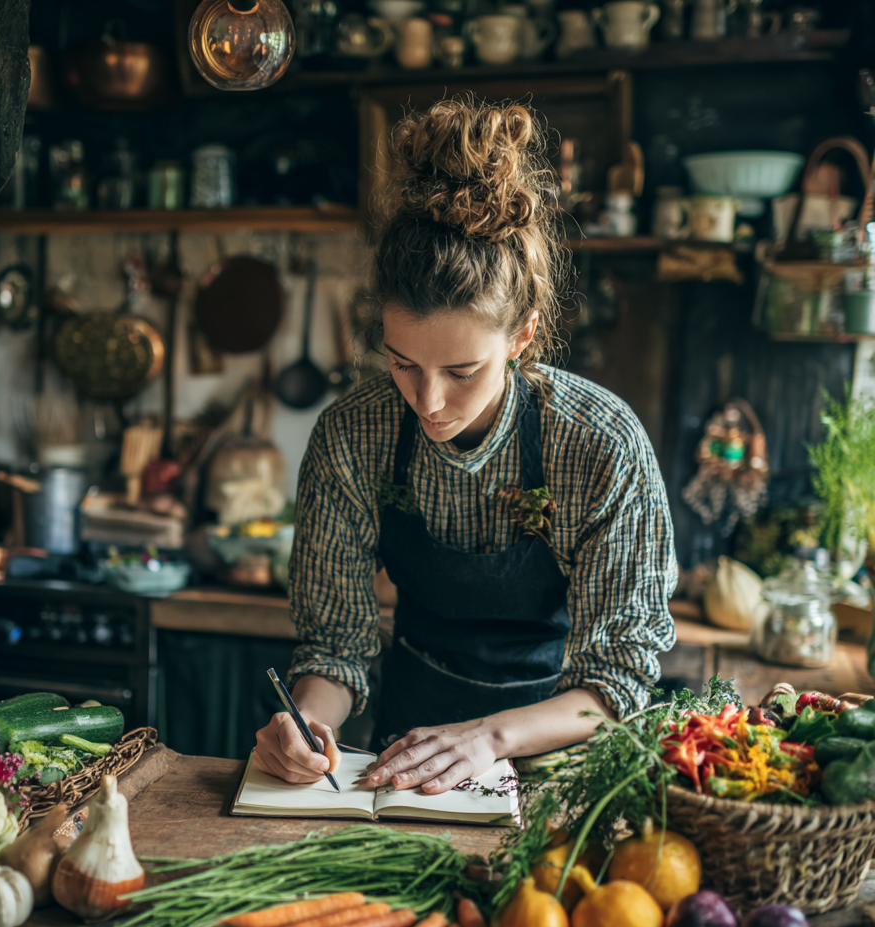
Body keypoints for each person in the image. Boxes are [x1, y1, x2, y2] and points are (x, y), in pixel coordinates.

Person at [255, 99, 677, 795]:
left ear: (521, 336)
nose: (427, 402)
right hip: (405, 760)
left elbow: (619, 682)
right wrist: (302, 724)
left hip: (554, 770)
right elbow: (336, 647)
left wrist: (491, 737)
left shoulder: (600, 444)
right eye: (401, 363)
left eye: (461, 372)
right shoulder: (352, 435)